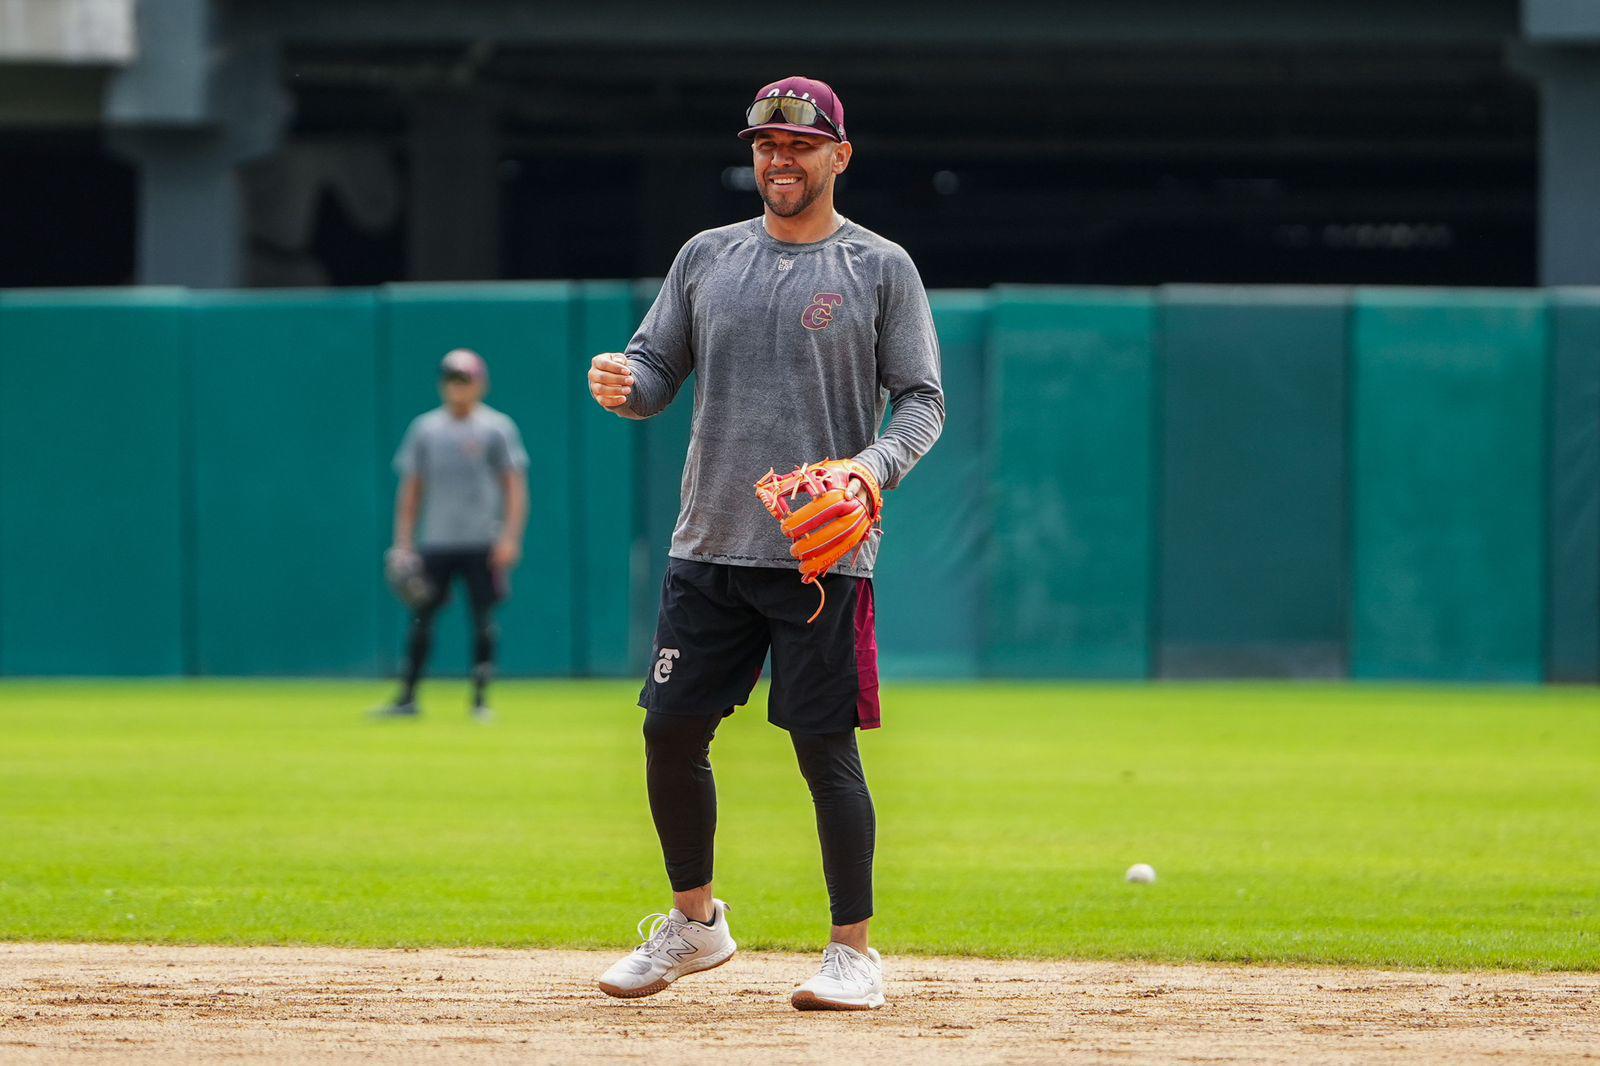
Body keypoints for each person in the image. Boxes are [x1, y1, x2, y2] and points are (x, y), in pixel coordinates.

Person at [586, 76, 944, 1010]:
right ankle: (696, 925)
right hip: (708, 542)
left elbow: (921, 400)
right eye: (765, 146)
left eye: (799, 146)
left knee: (824, 750)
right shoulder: (707, 255)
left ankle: (853, 954)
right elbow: (656, 368)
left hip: (820, 560)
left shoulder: (880, 267)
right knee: (669, 732)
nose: (780, 160)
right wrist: (627, 380)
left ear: (839, 156)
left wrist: (870, 469)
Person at [374, 348, 529, 721]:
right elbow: (411, 491)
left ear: (480, 384)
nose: (457, 387)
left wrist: (510, 537)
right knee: (422, 618)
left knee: (483, 619)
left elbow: (514, 487)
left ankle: (480, 700)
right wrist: (403, 542)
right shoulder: (426, 429)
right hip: (437, 541)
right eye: (451, 379)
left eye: (464, 379)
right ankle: (408, 697)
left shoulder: (496, 427)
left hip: (481, 541)